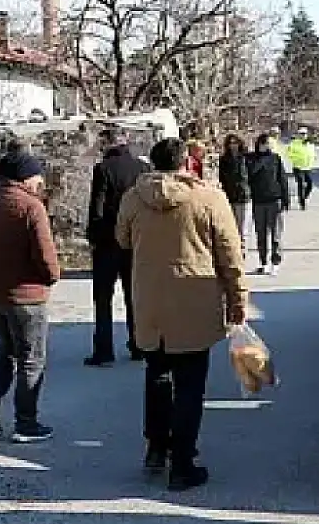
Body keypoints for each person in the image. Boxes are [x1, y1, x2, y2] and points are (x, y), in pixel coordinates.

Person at [116, 137, 248, 491]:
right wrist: (238, 300)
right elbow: (230, 255)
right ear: (186, 163)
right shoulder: (208, 198)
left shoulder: (133, 198)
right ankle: (183, 462)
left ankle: (156, 448)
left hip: (150, 300)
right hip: (195, 300)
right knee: (190, 384)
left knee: (157, 375)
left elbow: (122, 239)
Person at [0, 151, 62, 443]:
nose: (40, 183)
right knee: (32, 358)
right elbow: (46, 257)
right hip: (27, 296)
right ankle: (26, 422)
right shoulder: (31, 207)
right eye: (37, 178)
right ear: (26, 178)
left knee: (6, 352)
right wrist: (51, 277)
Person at [86, 130, 147, 365]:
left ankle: (104, 350)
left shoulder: (103, 169)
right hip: (134, 241)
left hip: (107, 242)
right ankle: (138, 344)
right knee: (134, 296)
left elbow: (97, 209)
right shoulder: (142, 169)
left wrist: (94, 237)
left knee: (103, 299)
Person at [245, 133, 290, 274]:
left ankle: (275, 261)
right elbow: (250, 174)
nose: (270, 145)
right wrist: (261, 159)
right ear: (261, 143)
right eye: (267, 143)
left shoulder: (275, 158)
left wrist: (285, 198)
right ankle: (263, 262)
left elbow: (282, 179)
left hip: (274, 200)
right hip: (258, 201)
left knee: (276, 233)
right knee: (261, 233)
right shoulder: (251, 159)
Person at [218, 134, 251, 251]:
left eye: (235, 143)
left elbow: (251, 176)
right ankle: (234, 250)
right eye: (230, 143)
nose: (233, 145)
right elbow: (221, 178)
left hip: (243, 195)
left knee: (242, 227)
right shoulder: (223, 159)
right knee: (232, 226)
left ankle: (242, 249)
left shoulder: (246, 158)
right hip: (229, 196)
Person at [284, 128, 317, 210]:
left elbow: (312, 154)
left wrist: (312, 160)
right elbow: (289, 154)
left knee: (310, 184)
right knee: (301, 184)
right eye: (301, 134)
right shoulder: (294, 143)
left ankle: (304, 197)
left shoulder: (310, 143)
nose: (303, 135)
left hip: (307, 167)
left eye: (304, 134)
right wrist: (296, 160)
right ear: (298, 135)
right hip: (298, 167)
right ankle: (302, 203)